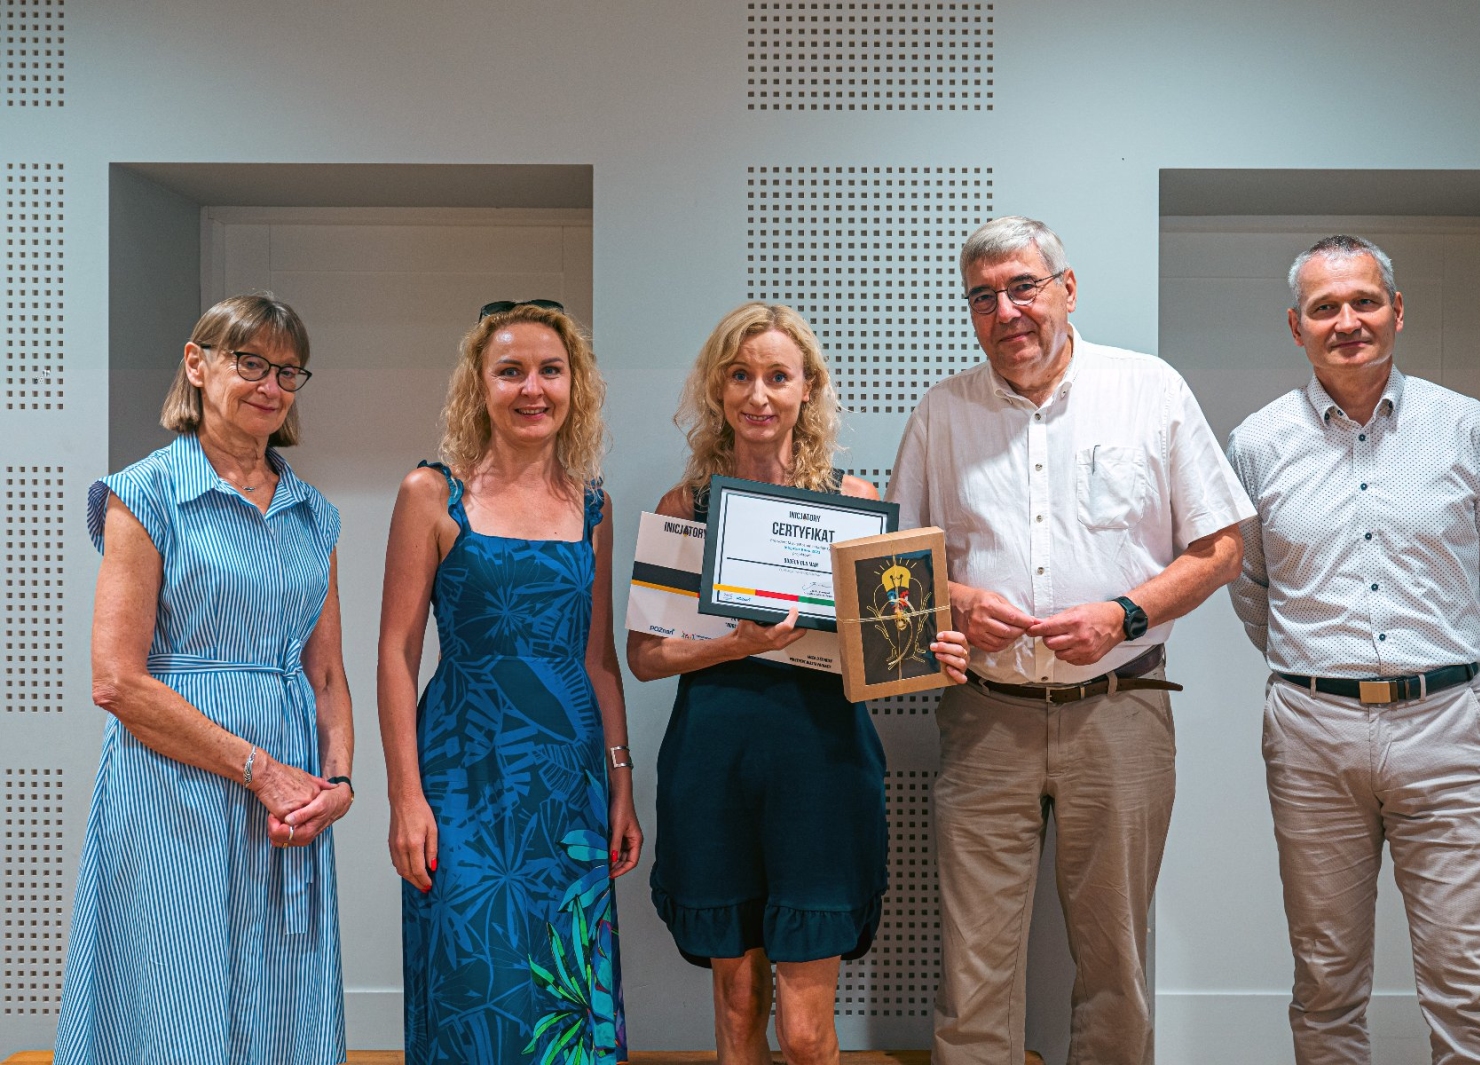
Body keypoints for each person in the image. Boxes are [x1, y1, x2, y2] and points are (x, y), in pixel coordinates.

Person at [887, 216, 1255, 1065]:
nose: (1006, 311)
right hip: (983, 719)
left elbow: (1221, 547)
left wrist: (1123, 614)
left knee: (1116, 958)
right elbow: (891, 573)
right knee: (972, 965)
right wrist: (954, 601)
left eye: (1023, 287)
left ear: (1067, 289)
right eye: (983, 297)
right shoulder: (943, 413)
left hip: (1119, 714)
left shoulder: (1149, 390)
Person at [628, 302, 969, 1065]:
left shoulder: (852, 506)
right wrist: (736, 643)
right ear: (718, 390)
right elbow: (645, 657)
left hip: (823, 770)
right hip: (714, 768)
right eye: (741, 376)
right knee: (738, 999)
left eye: (777, 377)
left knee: (808, 1027)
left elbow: (892, 652)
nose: (759, 395)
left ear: (807, 389)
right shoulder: (685, 508)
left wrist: (929, 650)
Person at [1225, 235, 1480, 1064]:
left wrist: (1435, 667)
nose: (1346, 321)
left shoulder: (1466, 427)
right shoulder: (1257, 443)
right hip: (1312, 730)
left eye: (1364, 301)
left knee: (1470, 983)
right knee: (1325, 980)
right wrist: (1326, 670)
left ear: (1398, 309)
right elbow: (1250, 588)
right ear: (1296, 325)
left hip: (1446, 729)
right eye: (1325, 307)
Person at [55, 295, 354, 1063]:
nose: (270, 383)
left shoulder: (313, 514)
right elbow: (117, 681)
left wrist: (339, 781)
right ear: (197, 363)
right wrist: (258, 770)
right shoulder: (145, 494)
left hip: (291, 799)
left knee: (282, 992)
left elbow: (325, 674)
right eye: (249, 362)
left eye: (287, 371)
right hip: (172, 786)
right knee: (169, 997)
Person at [376, 300, 640, 1065]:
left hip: (568, 785)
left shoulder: (593, 505)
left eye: (550, 370)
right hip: (463, 774)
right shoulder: (432, 492)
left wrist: (621, 784)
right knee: (473, 973)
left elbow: (597, 660)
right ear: (479, 385)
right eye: (512, 371)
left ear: (573, 384)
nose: (533, 388)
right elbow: (397, 651)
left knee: (565, 986)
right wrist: (405, 797)